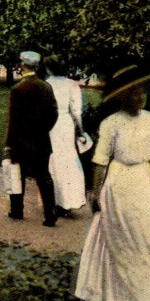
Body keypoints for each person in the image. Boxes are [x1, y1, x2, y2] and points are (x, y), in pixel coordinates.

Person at [74, 65, 150, 301]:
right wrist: (95, 192)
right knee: (121, 237)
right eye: (133, 92)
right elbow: (100, 160)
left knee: (147, 237)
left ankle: (144, 300)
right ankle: (118, 299)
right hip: (119, 181)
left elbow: (149, 153)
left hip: (144, 180)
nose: (139, 97)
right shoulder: (111, 123)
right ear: (123, 96)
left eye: (142, 91)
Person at [4, 50, 59, 226]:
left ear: (22, 65)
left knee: (17, 175)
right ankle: (50, 214)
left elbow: (14, 120)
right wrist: (44, 130)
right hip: (41, 139)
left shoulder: (18, 89)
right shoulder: (46, 86)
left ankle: (17, 210)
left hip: (21, 140)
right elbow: (54, 113)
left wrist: (9, 144)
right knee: (44, 176)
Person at [43, 54, 88, 217]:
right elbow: (76, 111)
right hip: (65, 123)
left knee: (53, 159)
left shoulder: (46, 84)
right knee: (67, 159)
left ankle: (55, 200)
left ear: (49, 68)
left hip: (50, 123)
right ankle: (67, 201)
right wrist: (81, 131)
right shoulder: (72, 85)